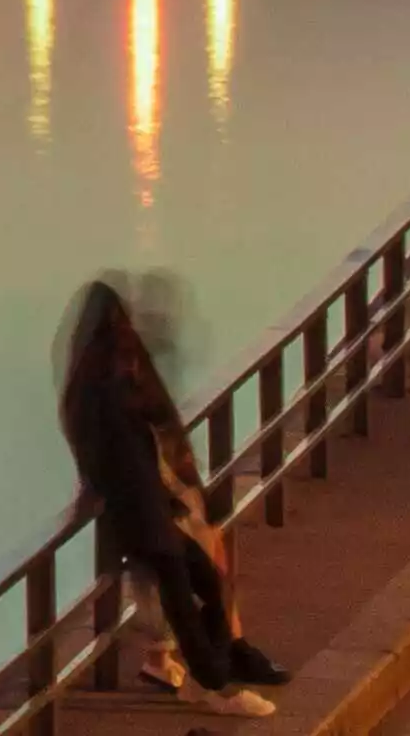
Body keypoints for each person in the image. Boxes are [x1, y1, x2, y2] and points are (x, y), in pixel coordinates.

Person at [54, 277, 279, 717]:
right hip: (137, 514)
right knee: (181, 595)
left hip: (153, 508)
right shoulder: (102, 390)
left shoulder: (112, 380)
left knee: (205, 582)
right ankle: (216, 687)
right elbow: (114, 458)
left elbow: (147, 442)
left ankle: (203, 677)